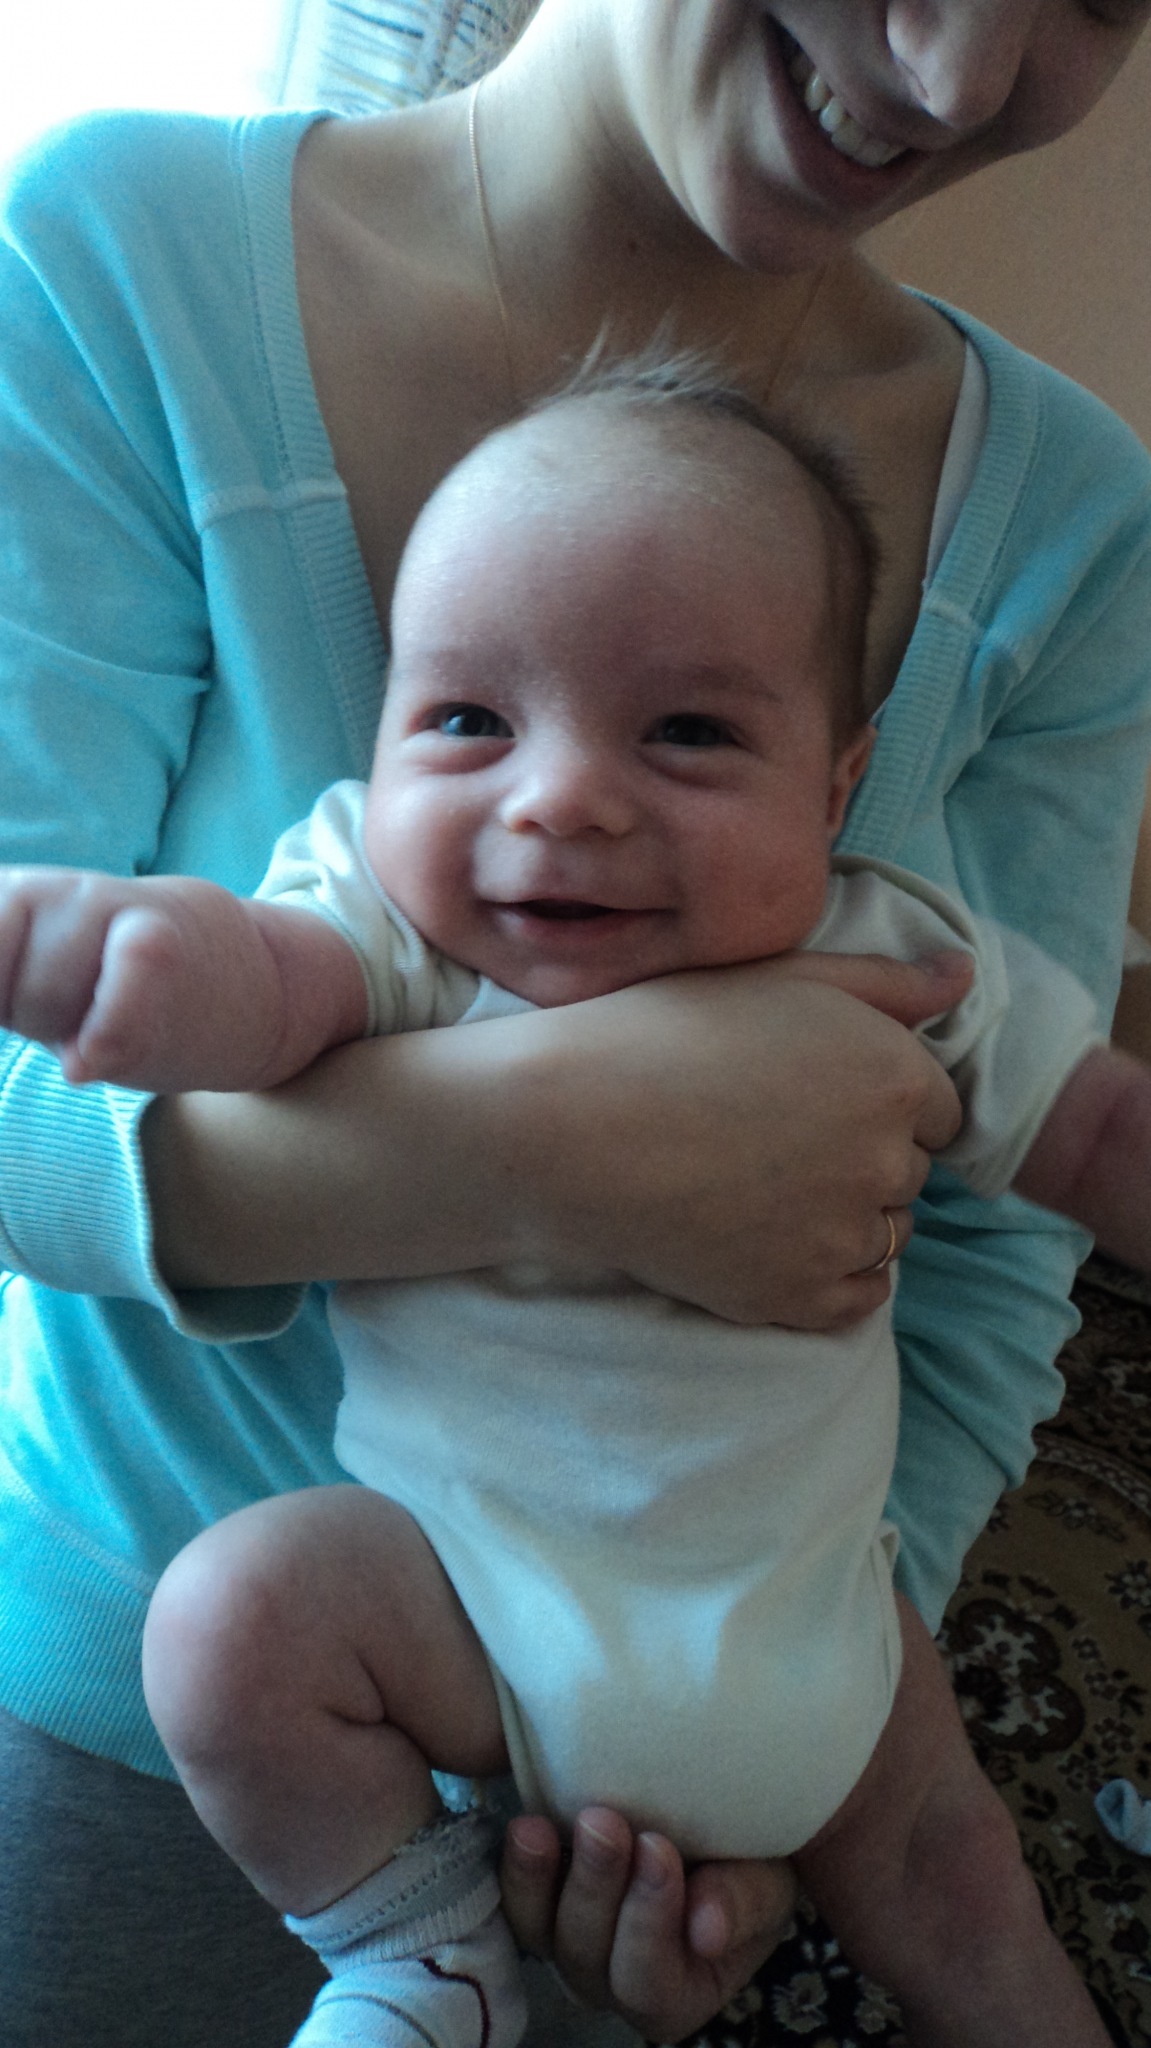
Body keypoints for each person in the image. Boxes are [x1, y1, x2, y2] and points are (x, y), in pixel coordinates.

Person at [2, 4, 1151, 2043]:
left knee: (975, 1904)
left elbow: (1033, 1217)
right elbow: (222, 995)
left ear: (838, 773)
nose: (963, 75)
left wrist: (745, 1733)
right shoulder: (116, 257)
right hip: (197, 1690)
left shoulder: (1049, 580)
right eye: (462, 719)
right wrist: (555, 1144)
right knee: (236, 1639)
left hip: (752, 1690)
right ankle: (410, 1947)